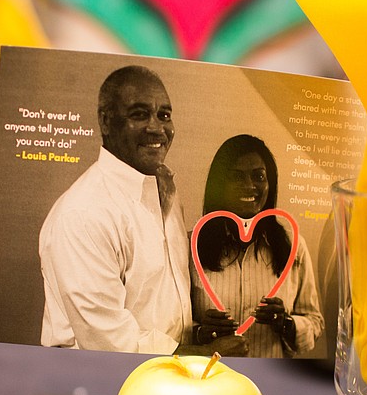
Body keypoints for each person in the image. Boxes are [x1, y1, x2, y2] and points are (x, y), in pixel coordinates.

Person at [39, 65, 247, 356]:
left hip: (163, 377)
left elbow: (150, 305)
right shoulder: (83, 213)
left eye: (164, 115)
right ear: (106, 121)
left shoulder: (165, 192)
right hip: (102, 379)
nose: (157, 128)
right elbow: (107, 340)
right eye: (139, 114)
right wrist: (209, 354)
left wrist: (197, 332)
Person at [191, 134, 324, 358]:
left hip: (271, 383)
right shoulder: (191, 246)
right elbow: (172, 325)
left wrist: (286, 323)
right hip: (210, 381)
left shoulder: (293, 245)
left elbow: (315, 322)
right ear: (219, 184)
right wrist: (201, 334)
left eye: (258, 176)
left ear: (269, 184)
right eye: (236, 177)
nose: (249, 186)